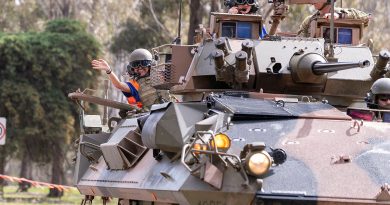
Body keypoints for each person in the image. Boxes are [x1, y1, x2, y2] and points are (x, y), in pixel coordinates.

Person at [91, 48, 161, 110]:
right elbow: (119, 85)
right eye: (136, 66)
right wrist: (109, 70)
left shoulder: (159, 77)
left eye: (144, 64)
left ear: (150, 65)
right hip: (147, 115)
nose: (140, 68)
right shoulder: (134, 84)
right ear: (131, 69)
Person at [297, 0, 371, 37]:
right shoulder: (309, 20)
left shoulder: (343, 14)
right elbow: (300, 41)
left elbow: (366, 17)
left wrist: (340, 16)